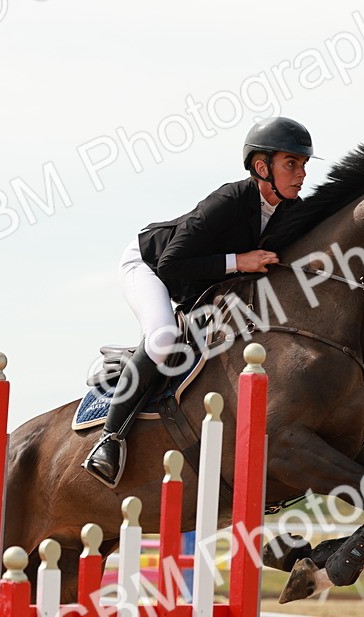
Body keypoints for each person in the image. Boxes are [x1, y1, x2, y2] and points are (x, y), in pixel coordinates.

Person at [83, 116, 315, 487]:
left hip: (201, 280)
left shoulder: (291, 210)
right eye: (291, 163)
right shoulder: (231, 199)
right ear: (261, 167)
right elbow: (172, 265)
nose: (301, 173)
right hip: (151, 264)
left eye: (303, 165)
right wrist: (240, 262)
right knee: (162, 337)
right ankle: (109, 439)